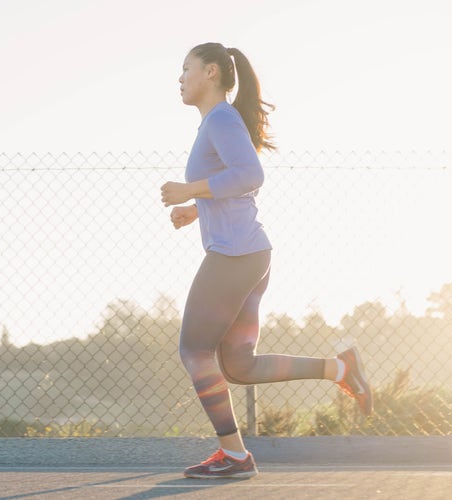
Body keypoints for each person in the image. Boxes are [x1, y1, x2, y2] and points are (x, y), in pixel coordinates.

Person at [160, 42, 373, 480]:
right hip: (250, 254)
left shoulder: (220, 118)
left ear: (212, 73)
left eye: (187, 69)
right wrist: (196, 209)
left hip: (236, 256)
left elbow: (251, 175)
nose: (180, 78)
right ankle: (341, 368)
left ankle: (235, 456)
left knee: (195, 350)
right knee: (238, 364)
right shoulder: (216, 122)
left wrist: (190, 190)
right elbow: (239, 186)